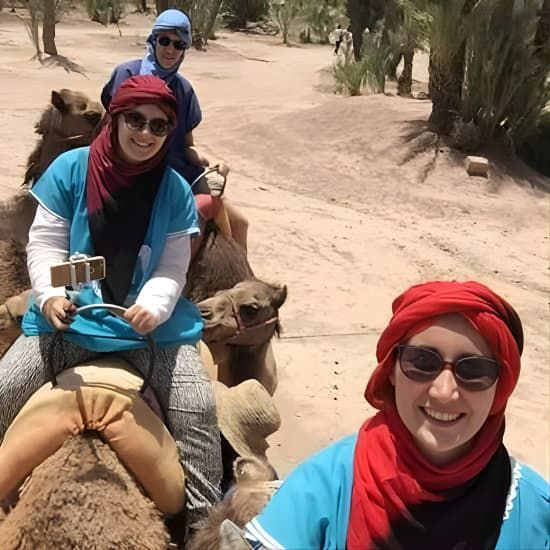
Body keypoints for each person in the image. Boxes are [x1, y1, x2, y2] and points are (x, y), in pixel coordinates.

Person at [0, 75, 222, 531]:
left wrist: (156, 305)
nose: (144, 133)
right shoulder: (71, 170)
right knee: (4, 389)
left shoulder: (175, 190)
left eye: (158, 127)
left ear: (167, 133)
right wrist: (49, 295)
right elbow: (45, 244)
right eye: (135, 120)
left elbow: (172, 268)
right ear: (116, 120)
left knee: (197, 408)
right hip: (71, 322)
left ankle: (205, 530)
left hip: (150, 332)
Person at [243, 281, 549, 549]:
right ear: (391, 371)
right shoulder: (321, 491)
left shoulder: (535, 511)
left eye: (474, 370)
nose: (444, 391)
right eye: (421, 362)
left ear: (501, 387)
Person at [101, 8, 249, 251]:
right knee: (193, 225)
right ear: (153, 40)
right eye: (165, 40)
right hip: (136, 170)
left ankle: (237, 279)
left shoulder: (184, 90)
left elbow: (187, 145)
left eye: (179, 44)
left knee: (239, 222)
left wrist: (212, 161)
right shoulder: (127, 74)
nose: (171, 49)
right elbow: (108, 128)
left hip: (181, 174)